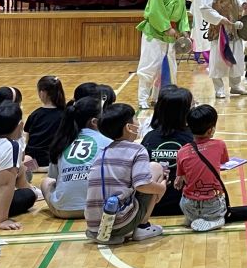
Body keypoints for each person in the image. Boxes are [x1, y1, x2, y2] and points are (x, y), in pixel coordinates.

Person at [84, 103, 167, 244]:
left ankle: (109, 232)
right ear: (129, 127)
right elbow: (143, 185)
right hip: (120, 223)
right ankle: (143, 227)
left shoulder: (102, 152)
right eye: (135, 119)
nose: (138, 123)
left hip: (93, 226)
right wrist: (162, 187)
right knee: (155, 168)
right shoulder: (137, 149)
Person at [42, 96, 111, 219]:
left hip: (63, 211)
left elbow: (54, 177)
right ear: (94, 122)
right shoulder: (107, 141)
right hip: (100, 209)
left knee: (46, 182)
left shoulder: (62, 140)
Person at [136, 0, 191, 110]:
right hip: (154, 34)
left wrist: (184, 29)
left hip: (170, 36)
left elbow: (183, 15)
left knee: (169, 68)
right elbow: (154, 13)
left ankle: (158, 98)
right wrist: (167, 28)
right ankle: (142, 98)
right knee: (149, 66)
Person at [200, 0, 247, 99]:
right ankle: (219, 89)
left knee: (236, 56)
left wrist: (243, 4)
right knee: (218, 59)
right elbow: (204, 7)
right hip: (220, 29)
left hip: (234, 27)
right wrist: (219, 19)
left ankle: (235, 86)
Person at [140, 86, 194, 217]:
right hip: (185, 205)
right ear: (185, 112)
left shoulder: (149, 137)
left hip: (151, 206)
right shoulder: (193, 138)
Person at [175, 105, 229, 232]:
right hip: (212, 205)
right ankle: (215, 221)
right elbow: (224, 162)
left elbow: (181, 177)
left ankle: (193, 218)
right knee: (220, 215)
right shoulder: (220, 145)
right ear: (211, 130)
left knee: (187, 194)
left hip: (188, 205)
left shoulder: (182, 151)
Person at [24, 75, 65, 170]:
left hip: (34, 160)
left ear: (42, 93)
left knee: (24, 160)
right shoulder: (65, 114)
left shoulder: (35, 114)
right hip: (53, 160)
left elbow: (26, 138)